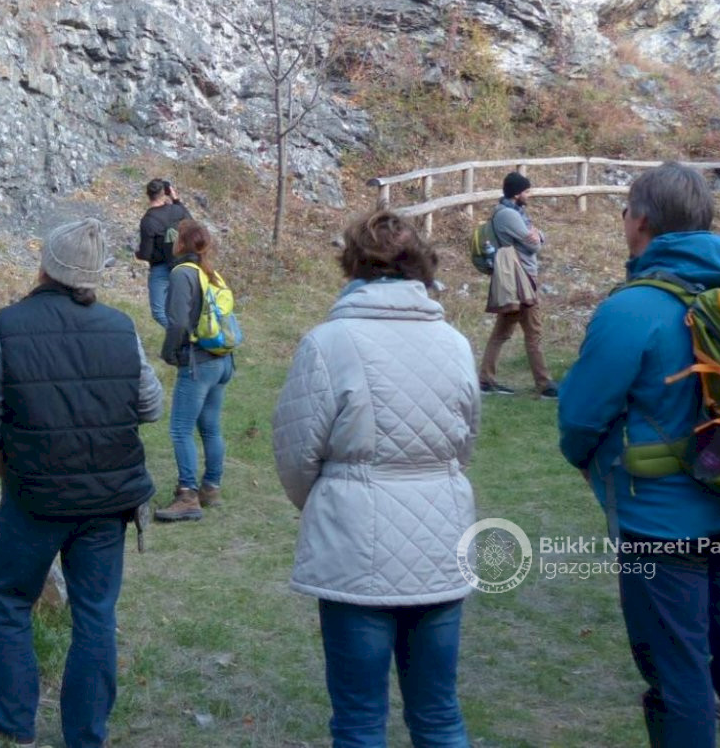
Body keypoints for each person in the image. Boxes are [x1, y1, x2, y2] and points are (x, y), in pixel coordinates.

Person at [559, 163, 720, 747]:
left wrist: (584, 460)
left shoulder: (631, 309)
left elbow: (579, 418)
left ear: (641, 222)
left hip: (658, 522)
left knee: (677, 671)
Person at [272, 210, 479, 748]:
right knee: (438, 715)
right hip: (438, 541)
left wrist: (335, 501)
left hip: (354, 547)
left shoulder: (328, 343)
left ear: (354, 263)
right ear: (421, 265)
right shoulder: (455, 343)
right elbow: (464, 445)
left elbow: (295, 456)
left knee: (360, 721)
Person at [0, 218, 163, 748]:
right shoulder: (121, 327)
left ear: (46, 265)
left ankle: (12, 722)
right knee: (95, 614)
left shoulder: (7, 326)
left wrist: (4, 469)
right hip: (107, 501)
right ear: (93, 274)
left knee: (11, 601)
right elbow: (151, 405)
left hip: (34, 497)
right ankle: (85, 736)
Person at [152, 218, 234, 523]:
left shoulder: (182, 273)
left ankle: (187, 495)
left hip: (199, 362)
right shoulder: (210, 272)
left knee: (180, 429)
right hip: (222, 359)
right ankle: (211, 487)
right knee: (210, 426)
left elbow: (178, 322)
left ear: (181, 243)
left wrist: (169, 353)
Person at [479, 171, 554, 398]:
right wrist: (538, 236)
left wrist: (538, 234)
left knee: (502, 332)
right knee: (534, 332)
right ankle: (545, 385)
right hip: (522, 280)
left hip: (516, 278)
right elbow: (534, 245)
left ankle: (485, 380)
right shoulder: (509, 215)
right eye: (526, 191)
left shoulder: (510, 212)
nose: (529, 195)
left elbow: (536, 236)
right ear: (517, 193)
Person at [135, 179, 191, 329]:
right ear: (165, 192)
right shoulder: (177, 210)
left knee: (159, 312)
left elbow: (146, 254)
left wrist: (137, 254)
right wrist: (176, 199)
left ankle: (181, 335)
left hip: (161, 268)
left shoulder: (148, 221)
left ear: (148, 195)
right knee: (184, 307)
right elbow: (192, 224)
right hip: (183, 263)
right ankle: (188, 334)